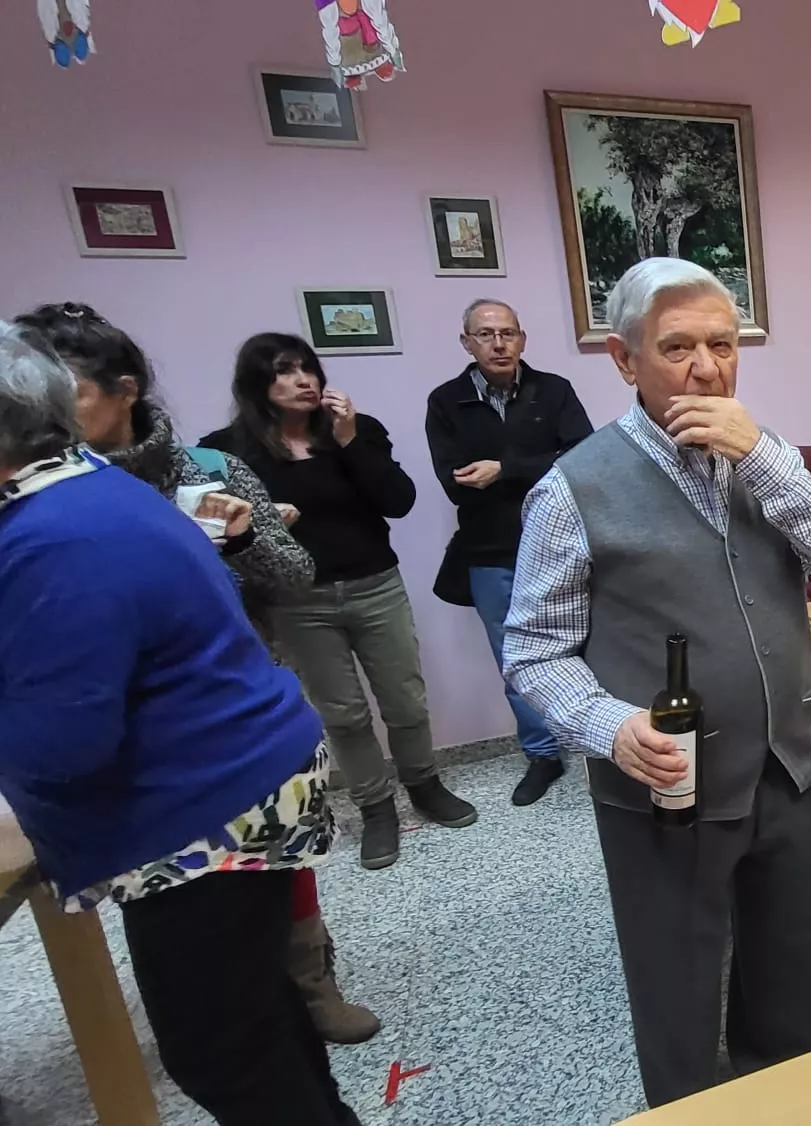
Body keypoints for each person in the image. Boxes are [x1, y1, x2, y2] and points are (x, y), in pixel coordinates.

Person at [505, 258, 811, 1106]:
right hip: (667, 790)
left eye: (722, 343)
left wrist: (766, 463)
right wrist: (606, 726)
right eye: (677, 347)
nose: (707, 366)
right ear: (624, 361)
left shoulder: (766, 457)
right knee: (675, 989)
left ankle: (775, 1097)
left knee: (788, 974)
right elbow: (532, 649)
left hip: (788, 766)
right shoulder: (574, 488)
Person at [0, 324, 360, 1126]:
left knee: (220, 1053)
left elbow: (67, 742)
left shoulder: (54, 532)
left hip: (202, 807)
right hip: (240, 770)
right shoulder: (85, 479)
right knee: (258, 1014)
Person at [203, 334, 475, 870]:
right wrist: (258, 523)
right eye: (286, 371)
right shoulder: (228, 451)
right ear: (258, 384)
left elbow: (399, 501)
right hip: (298, 599)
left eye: (309, 368)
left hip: (375, 584)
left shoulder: (357, 431)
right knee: (344, 714)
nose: (305, 380)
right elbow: (217, 529)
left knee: (404, 698)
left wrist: (351, 441)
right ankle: (376, 808)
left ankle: (424, 783)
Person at [425, 298, 593, 806]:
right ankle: (542, 754)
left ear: (522, 339)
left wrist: (505, 468)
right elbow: (456, 484)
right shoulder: (446, 401)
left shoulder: (553, 391)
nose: (498, 344)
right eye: (485, 335)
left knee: (586, 647)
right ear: (466, 342)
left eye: (508, 334)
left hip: (562, 542)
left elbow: (584, 459)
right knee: (517, 659)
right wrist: (539, 464)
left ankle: (598, 742)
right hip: (491, 550)